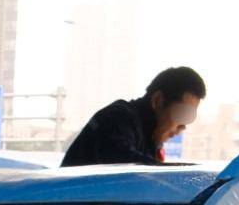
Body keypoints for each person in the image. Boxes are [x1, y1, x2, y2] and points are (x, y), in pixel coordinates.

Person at [59, 65, 206, 168]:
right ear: (158, 101)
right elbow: (122, 163)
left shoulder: (149, 140)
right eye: (183, 114)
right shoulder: (116, 119)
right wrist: (182, 173)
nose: (183, 127)